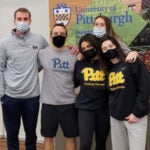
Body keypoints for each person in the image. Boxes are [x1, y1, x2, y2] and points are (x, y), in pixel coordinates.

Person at [0, 8, 49, 150]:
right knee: (12, 135)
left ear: (30, 21)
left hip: (32, 98)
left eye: (25, 19)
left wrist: (36, 68)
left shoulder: (39, 39)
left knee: (31, 136)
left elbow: (48, 56)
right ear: (14, 21)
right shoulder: (4, 43)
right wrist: (2, 95)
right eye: (19, 19)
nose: (22, 22)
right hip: (10, 98)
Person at [99, 35, 149, 150]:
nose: (108, 49)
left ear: (117, 46)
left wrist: (137, 113)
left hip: (135, 117)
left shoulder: (132, 61)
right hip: (116, 119)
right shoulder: (108, 70)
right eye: (105, 49)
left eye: (110, 46)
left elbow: (145, 87)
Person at [38, 23, 79, 150]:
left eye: (62, 34)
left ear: (66, 36)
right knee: (48, 137)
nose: (58, 36)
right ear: (51, 36)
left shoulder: (74, 55)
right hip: (48, 103)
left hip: (69, 103)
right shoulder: (42, 53)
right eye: (55, 34)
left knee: (71, 137)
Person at [74, 33, 110, 150]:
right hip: (85, 110)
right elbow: (74, 83)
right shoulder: (80, 64)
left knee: (101, 144)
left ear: (95, 45)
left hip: (104, 110)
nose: (86, 50)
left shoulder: (107, 62)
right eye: (83, 48)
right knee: (85, 145)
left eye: (89, 46)